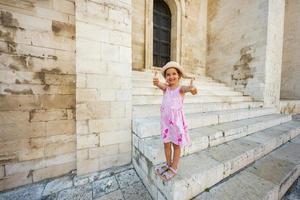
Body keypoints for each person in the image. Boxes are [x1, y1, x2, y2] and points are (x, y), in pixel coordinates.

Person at [153, 61, 197, 181]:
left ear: (179, 76)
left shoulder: (180, 89)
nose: (171, 76)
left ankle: (174, 167)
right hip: (166, 122)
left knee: (176, 145)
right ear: (166, 77)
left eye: (174, 74)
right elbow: (159, 84)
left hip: (176, 122)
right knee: (166, 143)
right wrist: (156, 82)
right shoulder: (166, 88)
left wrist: (193, 89)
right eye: (168, 74)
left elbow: (190, 89)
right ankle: (168, 164)